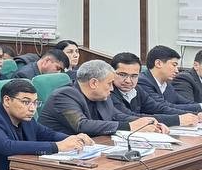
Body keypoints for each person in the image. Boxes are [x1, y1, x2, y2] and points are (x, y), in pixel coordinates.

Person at [38, 59, 167, 136]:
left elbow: (117, 115)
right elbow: (82, 125)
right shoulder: (63, 96)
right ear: (94, 83)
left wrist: (146, 122)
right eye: (109, 83)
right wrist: (130, 126)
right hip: (57, 155)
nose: (112, 88)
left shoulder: (100, 96)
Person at [108, 52, 197, 128]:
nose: (128, 80)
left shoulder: (137, 89)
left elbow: (158, 108)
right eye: (122, 75)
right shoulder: (108, 92)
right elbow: (129, 116)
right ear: (111, 73)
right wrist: (177, 119)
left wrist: (194, 115)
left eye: (134, 76)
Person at [141, 45, 202, 113]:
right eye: (174, 65)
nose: (177, 71)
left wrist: (199, 107)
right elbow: (163, 107)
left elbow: (184, 102)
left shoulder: (167, 85)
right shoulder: (142, 82)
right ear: (158, 63)